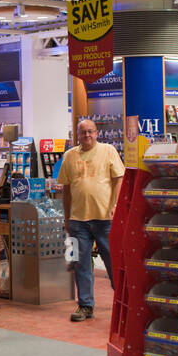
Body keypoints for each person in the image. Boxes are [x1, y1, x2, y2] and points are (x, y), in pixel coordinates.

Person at [59, 118, 125, 322]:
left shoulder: (108, 151)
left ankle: (123, 302)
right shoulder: (70, 156)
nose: (87, 135)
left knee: (113, 262)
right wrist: (67, 217)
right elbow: (66, 189)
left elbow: (119, 179)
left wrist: (116, 205)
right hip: (78, 220)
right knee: (81, 263)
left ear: (97, 133)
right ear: (77, 135)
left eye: (90, 131)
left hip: (105, 219)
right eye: (83, 132)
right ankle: (85, 305)